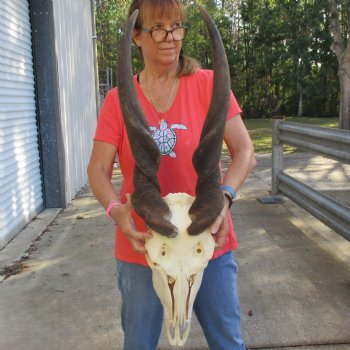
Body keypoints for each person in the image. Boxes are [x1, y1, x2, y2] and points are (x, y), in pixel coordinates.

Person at [87, 0, 256, 349]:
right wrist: (114, 211)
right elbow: (98, 169)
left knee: (228, 342)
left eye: (177, 26)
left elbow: (245, 152)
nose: (170, 37)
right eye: (158, 28)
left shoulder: (209, 85)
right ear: (137, 36)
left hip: (206, 239)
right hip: (143, 243)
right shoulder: (118, 100)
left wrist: (225, 198)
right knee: (139, 343)